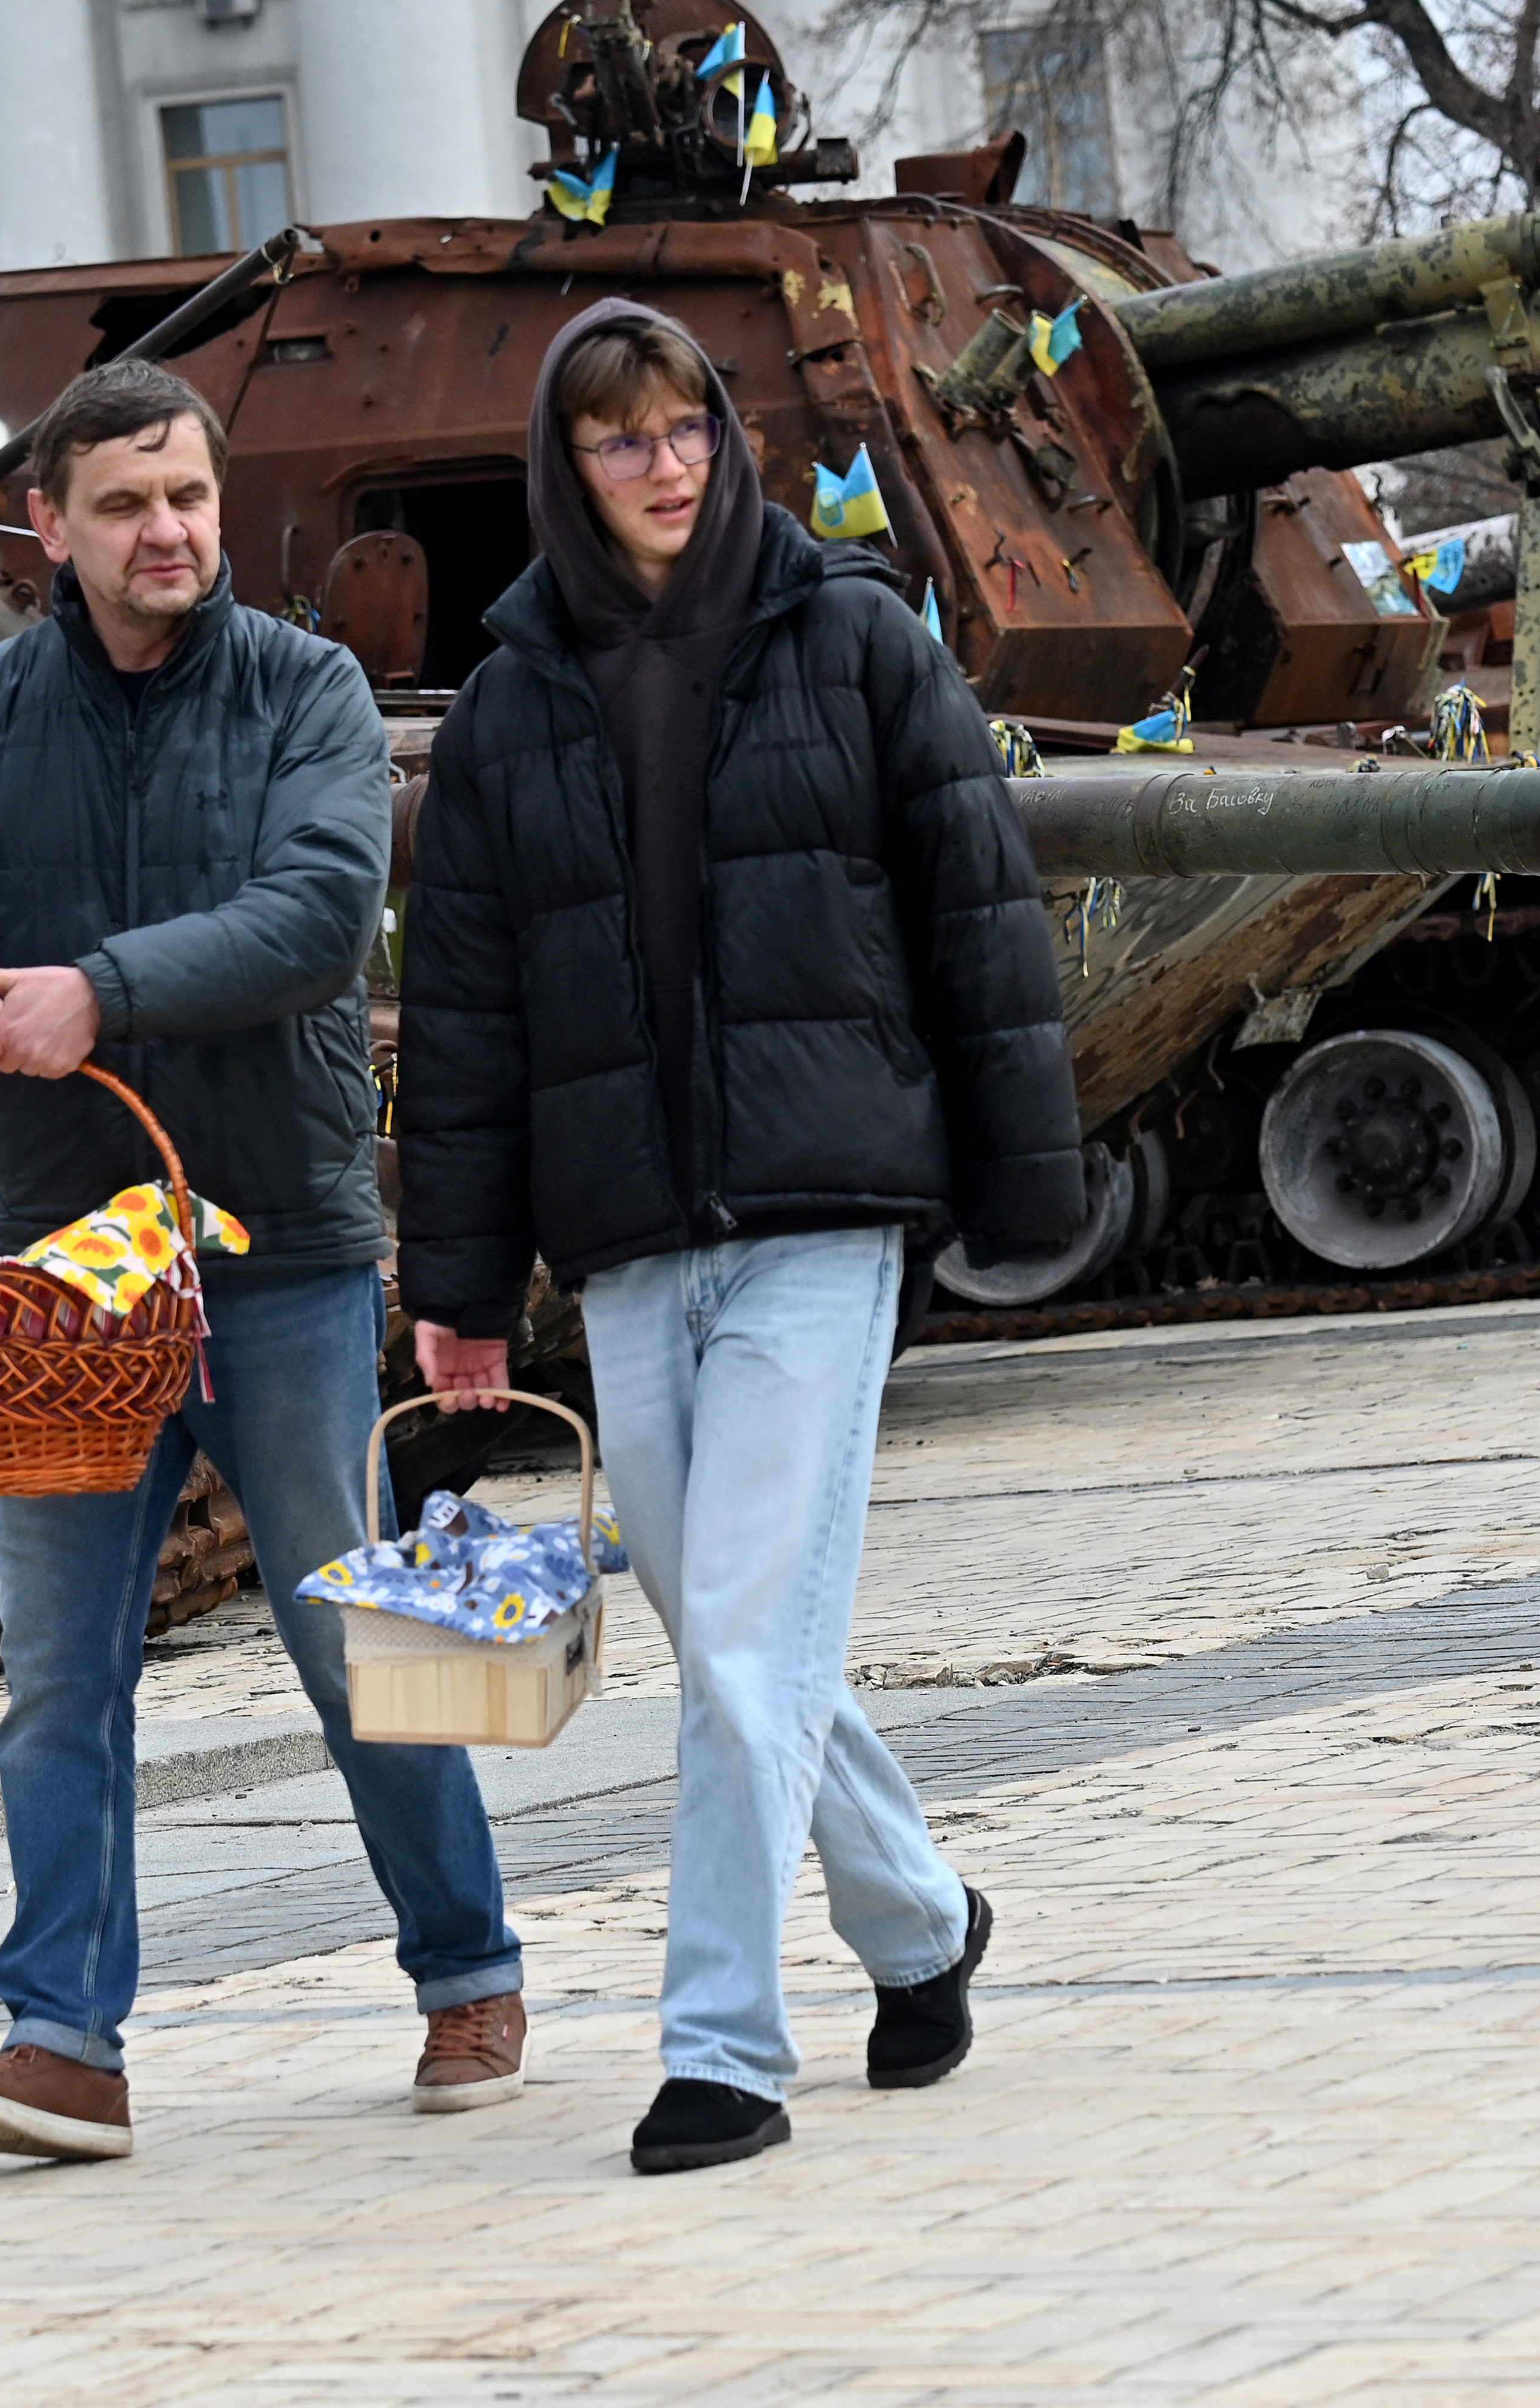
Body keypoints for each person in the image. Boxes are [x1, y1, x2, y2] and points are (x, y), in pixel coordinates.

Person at [0, 360, 527, 2164]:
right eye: (125, 503)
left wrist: (99, 989)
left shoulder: (307, 689)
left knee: (358, 1640)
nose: (167, 532)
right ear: (47, 525)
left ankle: (469, 1965)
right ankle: (64, 2042)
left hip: (279, 1254)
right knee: (58, 1675)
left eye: (189, 497)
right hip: (67, 1283)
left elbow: (315, 914)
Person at [395, 300, 1082, 2175]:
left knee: (752, 1639)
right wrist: (459, 1289)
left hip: (821, 1213)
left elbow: (982, 919)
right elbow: (467, 1024)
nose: (667, 464)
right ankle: (922, 1926)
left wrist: (1025, 1187)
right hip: (629, 1238)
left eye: (689, 424)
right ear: (566, 467)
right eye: (622, 437)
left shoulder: (855, 639)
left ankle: (720, 2050)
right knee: (730, 1644)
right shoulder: (511, 706)